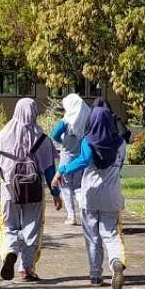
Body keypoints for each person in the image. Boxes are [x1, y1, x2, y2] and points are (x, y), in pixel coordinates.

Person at [53, 105, 129, 289]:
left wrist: (62, 170)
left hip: (90, 195)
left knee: (92, 237)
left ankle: (96, 275)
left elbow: (83, 161)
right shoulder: (120, 143)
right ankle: (116, 261)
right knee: (110, 234)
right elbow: (119, 167)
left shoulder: (88, 141)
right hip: (112, 194)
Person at [0, 98, 61, 283]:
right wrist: (56, 195)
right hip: (34, 189)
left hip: (10, 187)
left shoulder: (2, 136)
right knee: (31, 228)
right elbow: (50, 171)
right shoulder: (43, 139)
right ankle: (26, 269)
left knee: (9, 225)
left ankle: (10, 251)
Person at [50, 93, 90, 226]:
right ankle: (84, 211)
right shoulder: (86, 120)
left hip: (67, 156)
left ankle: (71, 215)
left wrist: (62, 142)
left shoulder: (66, 121)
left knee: (66, 186)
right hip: (81, 156)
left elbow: (54, 134)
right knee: (79, 186)